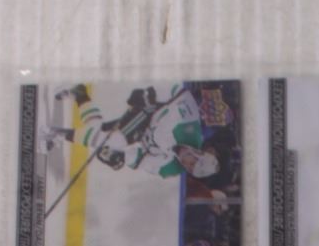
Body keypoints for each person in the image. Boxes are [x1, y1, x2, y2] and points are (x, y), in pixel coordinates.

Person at [43, 83, 229, 197]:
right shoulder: (190, 126)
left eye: (190, 169)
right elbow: (178, 91)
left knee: (101, 136)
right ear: (198, 154)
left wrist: (120, 159)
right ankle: (57, 133)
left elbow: (141, 160)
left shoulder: (171, 169)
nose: (187, 165)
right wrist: (151, 95)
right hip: (147, 112)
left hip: (141, 133)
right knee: (109, 140)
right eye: (192, 162)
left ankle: (79, 94)